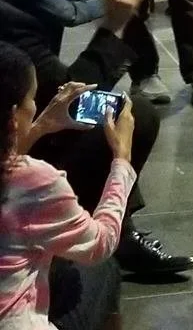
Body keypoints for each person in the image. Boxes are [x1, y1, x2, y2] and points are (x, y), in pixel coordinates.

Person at [0, 0, 193, 278]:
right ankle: (89, 242)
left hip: (25, 122)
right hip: (21, 146)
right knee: (128, 112)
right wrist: (114, 25)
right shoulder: (11, 22)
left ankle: (118, 230)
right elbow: (71, 97)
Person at [0, 43, 136, 330]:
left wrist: (39, 126)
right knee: (103, 269)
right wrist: (122, 161)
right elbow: (101, 243)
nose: (35, 106)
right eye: (32, 99)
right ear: (13, 116)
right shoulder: (33, 181)